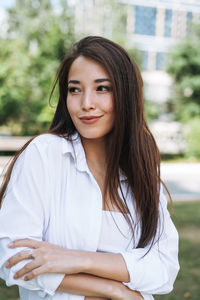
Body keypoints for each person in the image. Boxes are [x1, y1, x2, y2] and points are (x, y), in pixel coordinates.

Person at [0, 36, 179, 300]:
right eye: (74, 90)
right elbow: (14, 258)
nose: (86, 103)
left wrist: (79, 260)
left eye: (102, 88)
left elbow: (164, 269)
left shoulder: (140, 170)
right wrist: (114, 289)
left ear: (125, 95)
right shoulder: (44, 155)